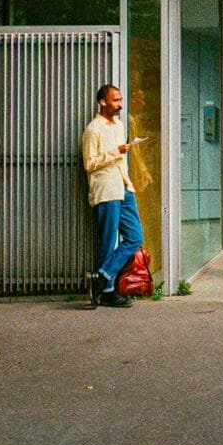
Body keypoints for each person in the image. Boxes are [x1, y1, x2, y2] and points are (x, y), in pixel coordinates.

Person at [82, 83, 143, 308]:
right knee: (108, 241)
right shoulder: (93, 129)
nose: (119, 104)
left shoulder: (118, 125)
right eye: (115, 100)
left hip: (123, 186)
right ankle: (107, 291)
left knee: (135, 236)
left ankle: (103, 275)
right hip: (106, 189)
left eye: (120, 99)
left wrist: (129, 183)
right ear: (102, 102)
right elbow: (89, 163)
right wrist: (115, 152)